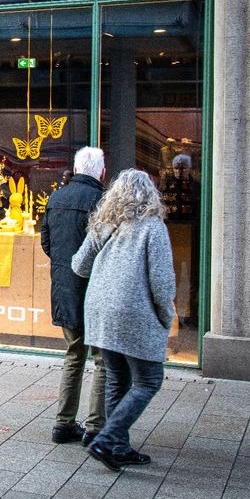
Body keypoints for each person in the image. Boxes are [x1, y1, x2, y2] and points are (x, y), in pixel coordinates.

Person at [72, 169, 176, 471]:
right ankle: (107, 439)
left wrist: (108, 274)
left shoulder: (105, 223)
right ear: (150, 194)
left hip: (99, 310)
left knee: (118, 378)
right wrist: (166, 316)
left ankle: (118, 447)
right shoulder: (153, 227)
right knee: (149, 380)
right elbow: (162, 284)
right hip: (131, 311)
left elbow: (79, 265)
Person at [41, 147, 107, 446]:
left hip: (65, 287)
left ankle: (63, 423)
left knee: (74, 355)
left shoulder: (56, 198)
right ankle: (95, 427)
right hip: (96, 289)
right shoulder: (103, 202)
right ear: (102, 172)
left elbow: (47, 243)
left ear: (77, 169)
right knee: (103, 360)